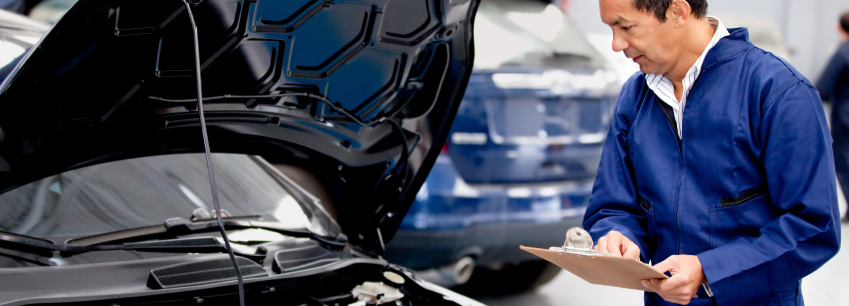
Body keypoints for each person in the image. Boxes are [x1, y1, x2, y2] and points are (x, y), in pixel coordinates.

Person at [583, 0, 841, 305]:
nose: (616, 44)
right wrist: (617, 234)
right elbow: (613, 206)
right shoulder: (634, 98)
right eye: (610, 28)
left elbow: (814, 225)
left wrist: (709, 271)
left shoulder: (778, 92)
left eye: (625, 27)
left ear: (677, 11)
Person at [817, 11, 849, 222]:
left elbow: (822, 87)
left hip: (845, 120)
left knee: (844, 162)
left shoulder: (842, 54)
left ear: (839, 28)